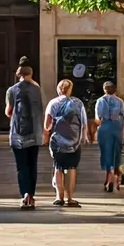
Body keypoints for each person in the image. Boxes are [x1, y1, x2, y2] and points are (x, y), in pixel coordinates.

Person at [42, 79, 90, 207]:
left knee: (58, 167)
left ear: (59, 89)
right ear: (70, 90)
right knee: (72, 168)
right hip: (74, 142)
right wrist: (84, 137)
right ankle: (70, 198)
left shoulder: (53, 103)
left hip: (58, 142)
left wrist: (47, 134)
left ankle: (59, 196)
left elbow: (47, 124)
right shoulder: (78, 103)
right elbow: (84, 123)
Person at [5, 62, 44, 210]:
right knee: (32, 165)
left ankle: (25, 195)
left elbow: (8, 111)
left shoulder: (12, 90)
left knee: (21, 167)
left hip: (18, 135)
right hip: (35, 133)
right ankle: (32, 196)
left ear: (18, 74)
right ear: (31, 74)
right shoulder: (37, 89)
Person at [93, 81, 124, 193]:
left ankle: (108, 178)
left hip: (104, 128)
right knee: (116, 153)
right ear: (115, 89)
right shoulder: (120, 102)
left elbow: (97, 119)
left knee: (106, 153)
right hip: (116, 128)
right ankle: (116, 177)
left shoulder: (100, 101)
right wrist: (123, 132)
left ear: (104, 90)